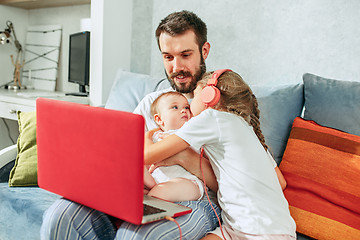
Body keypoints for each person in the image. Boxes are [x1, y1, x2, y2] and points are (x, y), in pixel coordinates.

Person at [41, 10, 221, 240]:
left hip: (199, 200)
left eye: (185, 55)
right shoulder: (152, 103)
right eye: (168, 57)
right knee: (59, 218)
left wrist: (183, 158)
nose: (176, 67)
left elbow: (238, 180)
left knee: (137, 235)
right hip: (140, 194)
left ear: (204, 51)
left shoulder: (222, 105)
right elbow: (124, 157)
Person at [144, 70, 296, 240]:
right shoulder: (246, 129)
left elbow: (147, 156)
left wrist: (147, 136)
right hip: (248, 228)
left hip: (260, 231)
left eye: (194, 96)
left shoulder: (212, 118)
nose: (189, 105)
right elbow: (280, 183)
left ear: (208, 96)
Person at [144, 91, 208, 202]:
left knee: (159, 192)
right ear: (159, 119)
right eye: (175, 107)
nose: (183, 110)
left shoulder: (190, 131)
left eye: (187, 107)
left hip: (188, 182)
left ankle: (150, 200)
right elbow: (145, 155)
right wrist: (148, 136)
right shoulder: (155, 135)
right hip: (157, 180)